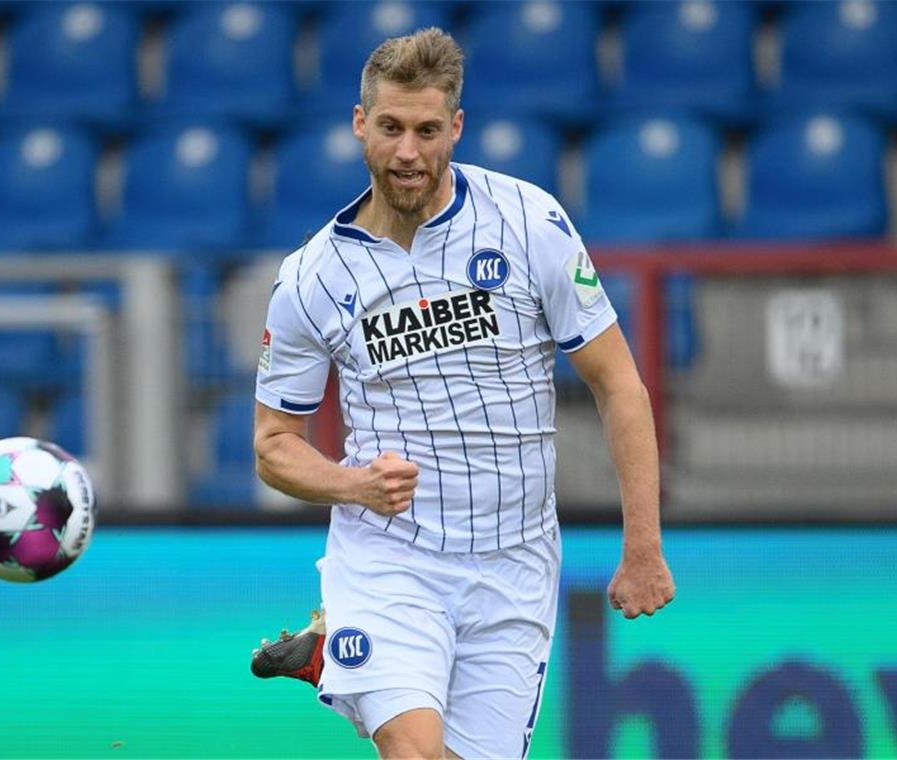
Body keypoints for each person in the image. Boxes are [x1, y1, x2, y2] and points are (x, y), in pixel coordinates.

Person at [250, 27, 675, 760]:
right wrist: (354, 484)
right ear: (360, 125)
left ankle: (332, 660)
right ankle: (358, 659)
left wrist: (643, 545)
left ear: (456, 127)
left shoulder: (528, 222)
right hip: (391, 559)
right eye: (389, 128)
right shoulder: (313, 276)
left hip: (514, 562)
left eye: (424, 130)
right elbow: (272, 446)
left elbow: (618, 384)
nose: (407, 152)